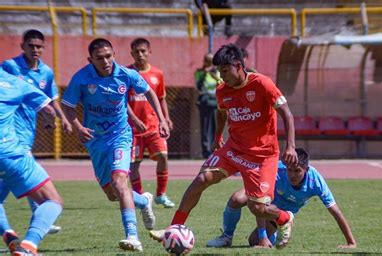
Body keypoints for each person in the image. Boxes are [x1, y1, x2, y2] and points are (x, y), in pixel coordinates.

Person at [150, 44, 298, 249]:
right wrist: (217, 137)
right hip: (234, 149)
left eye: (225, 70)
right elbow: (221, 113)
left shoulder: (263, 84)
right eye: (219, 71)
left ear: (238, 65)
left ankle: (284, 218)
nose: (221, 76)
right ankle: (174, 227)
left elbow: (287, 114)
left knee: (258, 208)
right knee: (202, 179)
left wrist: (290, 146)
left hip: (262, 156)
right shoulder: (222, 90)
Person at [61, 38, 170, 252]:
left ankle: (132, 236)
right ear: (90, 59)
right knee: (113, 194)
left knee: (120, 182)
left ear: (114, 55)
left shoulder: (126, 74)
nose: (105, 61)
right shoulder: (82, 78)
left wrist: (162, 119)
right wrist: (78, 127)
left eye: (109, 56)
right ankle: (143, 201)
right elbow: (68, 106)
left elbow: (149, 91)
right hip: (95, 140)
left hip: (120, 135)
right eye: (99, 58)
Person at [206, 148, 357, 249]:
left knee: (253, 241)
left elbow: (335, 211)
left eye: (297, 171)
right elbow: (259, 199)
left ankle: (283, 223)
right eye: (289, 170)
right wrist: (262, 236)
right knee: (236, 199)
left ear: (306, 169)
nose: (292, 175)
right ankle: (226, 237)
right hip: (265, 200)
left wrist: (351, 243)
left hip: (280, 212)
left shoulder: (315, 181)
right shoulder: (277, 169)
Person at [1, 29, 72, 235]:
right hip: (11, 134)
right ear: (22, 46)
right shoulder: (10, 67)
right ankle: (42, 218)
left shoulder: (46, 72)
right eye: (31, 46)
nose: (35, 50)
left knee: (7, 181)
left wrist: (62, 119)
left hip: (28, 131)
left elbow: (49, 99)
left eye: (39, 46)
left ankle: (14, 232)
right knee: (32, 178)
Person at [0, 68, 63, 256]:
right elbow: (48, 109)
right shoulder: (14, 82)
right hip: (8, 154)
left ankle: (8, 234)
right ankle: (28, 246)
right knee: (53, 200)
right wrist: (49, 118)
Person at [127, 38, 175, 208]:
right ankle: (140, 197)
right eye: (136, 51)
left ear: (149, 52)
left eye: (143, 51)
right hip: (132, 129)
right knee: (133, 165)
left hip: (153, 125)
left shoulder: (157, 74)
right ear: (131, 53)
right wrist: (133, 118)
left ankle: (161, 195)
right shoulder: (126, 73)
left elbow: (161, 99)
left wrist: (166, 118)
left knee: (163, 156)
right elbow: (122, 101)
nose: (140, 54)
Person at [194, 53, 221, 158]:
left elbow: (220, 82)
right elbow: (199, 86)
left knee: (217, 127)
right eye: (207, 61)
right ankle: (206, 152)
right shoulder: (199, 72)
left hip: (216, 102)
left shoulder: (217, 72)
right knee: (206, 127)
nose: (209, 64)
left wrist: (211, 73)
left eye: (211, 62)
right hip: (205, 102)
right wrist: (204, 74)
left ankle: (216, 150)